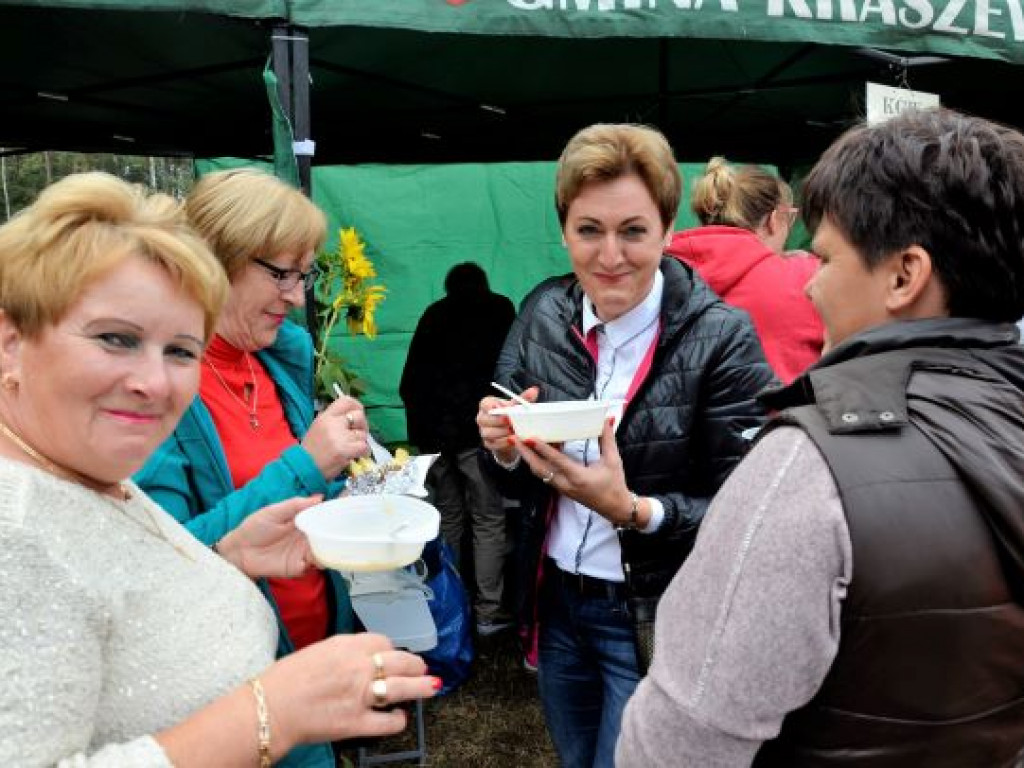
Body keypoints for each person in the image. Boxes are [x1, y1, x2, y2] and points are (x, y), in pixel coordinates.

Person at [617, 107, 1024, 768]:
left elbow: (675, 744)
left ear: (903, 275)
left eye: (827, 257)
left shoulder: (810, 466)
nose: (809, 282)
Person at [0, 172, 439, 767]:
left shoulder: (86, 469)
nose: (154, 383)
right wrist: (273, 711)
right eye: (114, 338)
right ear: (11, 340)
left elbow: (139, 574)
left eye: (182, 350)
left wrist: (231, 555)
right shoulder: (17, 531)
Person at [477, 123, 775, 768]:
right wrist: (501, 445)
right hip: (557, 602)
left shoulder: (721, 338)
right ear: (564, 231)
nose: (610, 255)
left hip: (649, 616)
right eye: (590, 230)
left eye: (633, 231)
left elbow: (746, 508)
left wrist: (634, 510)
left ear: (668, 232)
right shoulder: (542, 313)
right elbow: (509, 477)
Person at [135, 170, 367, 675]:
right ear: (218, 262)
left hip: (311, 654)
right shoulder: (156, 389)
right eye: (282, 274)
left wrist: (355, 492)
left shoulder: (276, 364)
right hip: (229, 670)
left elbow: (295, 509)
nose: (297, 297)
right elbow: (156, 560)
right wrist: (307, 463)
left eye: (302, 276)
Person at [400, 261, 516, 635]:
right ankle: (488, 611)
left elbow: (409, 382)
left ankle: (453, 606)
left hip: (435, 438)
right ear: (484, 284)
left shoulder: (434, 314)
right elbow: (509, 373)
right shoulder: (499, 310)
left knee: (447, 516)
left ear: (448, 287)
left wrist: (428, 434)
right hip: (477, 435)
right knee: (488, 519)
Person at [666, 157, 823, 383]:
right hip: (782, 416)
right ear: (774, 219)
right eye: (789, 218)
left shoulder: (664, 275)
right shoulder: (805, 277)